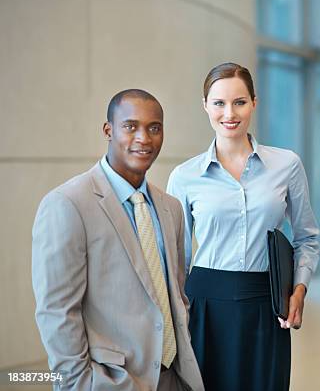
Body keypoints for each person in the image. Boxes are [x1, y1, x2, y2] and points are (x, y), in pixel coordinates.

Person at [32, 89, 204, 390]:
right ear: (108, 130)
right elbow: (57, 312)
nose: (144, 138)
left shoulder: (171, 208)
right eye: (130, 126)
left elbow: (175, 295)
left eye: (154, 128)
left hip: (174, 378)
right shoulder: (68, 204)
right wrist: (80, 384)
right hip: (110, 382)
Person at [166, 62, 319, 391]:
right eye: (219, 103)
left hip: (266, 303)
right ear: (205, 105)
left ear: (254, 102)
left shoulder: (287, 165)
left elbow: (307, 237)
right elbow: (176, 258)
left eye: (239, 102)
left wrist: (300, 289)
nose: (229, 113)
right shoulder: (184, 176)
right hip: (204, 307)